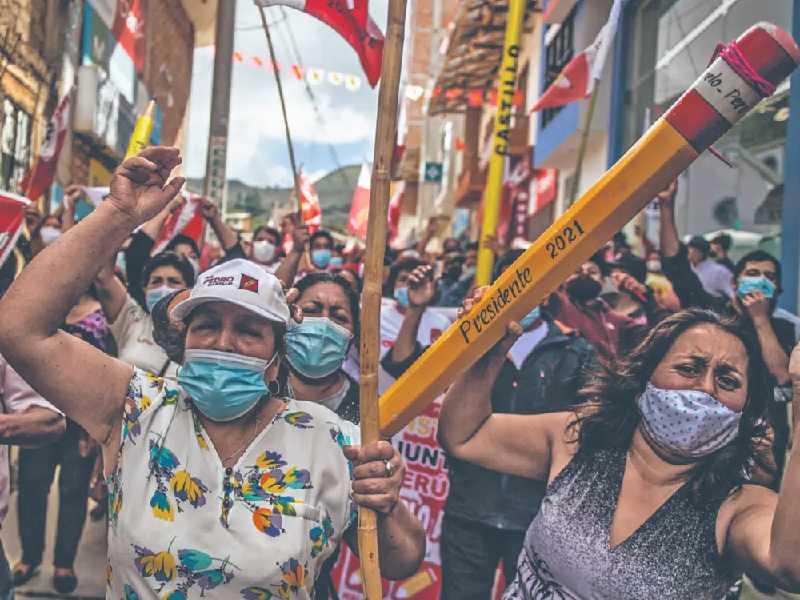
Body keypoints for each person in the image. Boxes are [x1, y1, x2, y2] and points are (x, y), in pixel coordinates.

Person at [0, 147, 425, 599]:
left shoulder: (333, 439)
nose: (223, 342)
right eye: (206, 325)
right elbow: (19, 328)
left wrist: (385, 502)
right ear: (183, 340)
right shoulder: (137, 408)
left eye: (247, 330)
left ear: (277, 356)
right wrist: (117, 213)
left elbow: (401, 560)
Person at [439, 302, 800, 599]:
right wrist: (487, 350)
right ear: (645, 375)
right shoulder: (578, 440)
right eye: (689, 369)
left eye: (727, 381)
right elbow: (465, 435)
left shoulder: (737, 506)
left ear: (746, 409)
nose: (705, 389)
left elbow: (790, 565)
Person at [385, 252, 596, 600]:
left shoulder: (575, 352)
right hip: (469, 512)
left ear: (547, 292)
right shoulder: (468, 338)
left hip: (535, 518)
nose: (524, 294)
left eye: (533, 284)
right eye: (513, 285)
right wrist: (416, 311)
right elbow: (405, 368)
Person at [658, 179, 794, 478]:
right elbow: (676, 267)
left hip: (763, 445)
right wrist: (666, 208)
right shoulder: (714, 315)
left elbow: (783, 376)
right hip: (709, 436)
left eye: (768, 277)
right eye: (752, 274)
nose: (760, 281)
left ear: (777, 288)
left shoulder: (784, 328)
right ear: (735, 282)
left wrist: (759, 320)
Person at [12, 323, 107, 594]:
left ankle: (64, 563)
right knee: (31, 487)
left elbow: (106, 371)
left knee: (73, 490)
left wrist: (94, 426)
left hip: (80, 419)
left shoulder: (100, 315)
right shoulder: (41, 313)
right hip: (37, 411)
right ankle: (30, 557)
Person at [95, 250, 195, 379]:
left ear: (188, 289)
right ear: (145, 288)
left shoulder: (199, 331)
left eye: (173, 281)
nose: (163, 288)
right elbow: (103, 276)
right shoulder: (132, 317)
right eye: (156, 281)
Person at [545, 255, 646, 359]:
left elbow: (647, 336)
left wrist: (644, 296)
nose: (584, 273)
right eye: (576, 271)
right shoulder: (558, 302)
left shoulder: (617, 319)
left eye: (592, 271)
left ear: (603, 280)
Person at [686, 234, 734, 300]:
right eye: (689, 248)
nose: (689, 251)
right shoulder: (685, 268)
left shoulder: (718, 271)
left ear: (701, 253)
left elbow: (733, 294)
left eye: (693, 249)